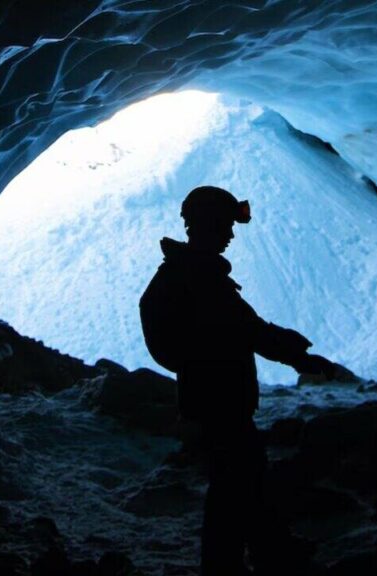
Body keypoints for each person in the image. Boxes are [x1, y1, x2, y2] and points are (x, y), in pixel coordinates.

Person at [139, 185, 337, 575]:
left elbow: (242, 329)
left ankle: (270, 550)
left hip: (209, 397)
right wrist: (298, 356)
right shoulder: (202, 279)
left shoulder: (187, 272)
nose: (231, 235)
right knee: (235, 482)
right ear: (209, 226)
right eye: (226, 225)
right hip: (220, 400)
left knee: (243, 476)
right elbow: (249, 330)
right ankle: (229, 564)